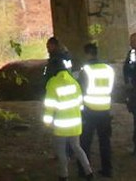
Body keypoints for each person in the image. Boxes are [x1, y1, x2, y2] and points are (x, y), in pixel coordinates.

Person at [44, 42, 96, 180]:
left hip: (61, 125)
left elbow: (50, 106)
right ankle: (89, 172)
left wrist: (47, 122)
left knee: (61, 152)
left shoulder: (52, 84)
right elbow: (80, 103)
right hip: (75, 123)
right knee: (77, 148)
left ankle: (64, 175)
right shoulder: (74, 82)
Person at [79, 42, 116, 178]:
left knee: (85, 142)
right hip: (105, 109)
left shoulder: (86, 70)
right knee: (105, 141)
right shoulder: (108, 69)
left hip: (89, 110)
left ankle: (84, 169)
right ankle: (107, 169)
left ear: (87, 54)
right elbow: (112, 88)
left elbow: (81, 89)